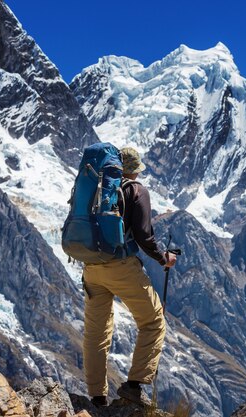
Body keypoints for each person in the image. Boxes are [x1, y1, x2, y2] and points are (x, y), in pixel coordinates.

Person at [82, 147, 176, 407]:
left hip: (91, 266)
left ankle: (97, 398)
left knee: (96, 332)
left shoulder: (94, 187)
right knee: (153, 321)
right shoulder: (136, 190)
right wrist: (163, 258)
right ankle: (134, 386)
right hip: (120, 266)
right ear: (134, 170)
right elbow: (145, 238)